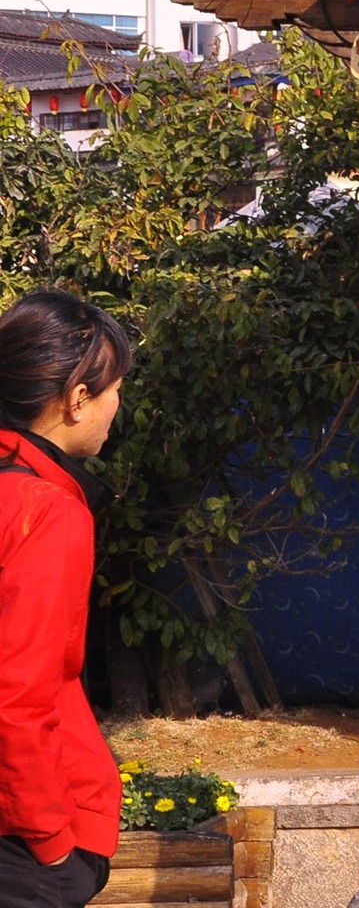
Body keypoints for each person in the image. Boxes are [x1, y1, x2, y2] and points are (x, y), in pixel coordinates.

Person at [0, 289, 134, 908]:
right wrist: (54, 844)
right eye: (114, 391)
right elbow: (17, 697)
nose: (116, 408)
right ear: (77, 399)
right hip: (22, 844)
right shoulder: (43, 511)